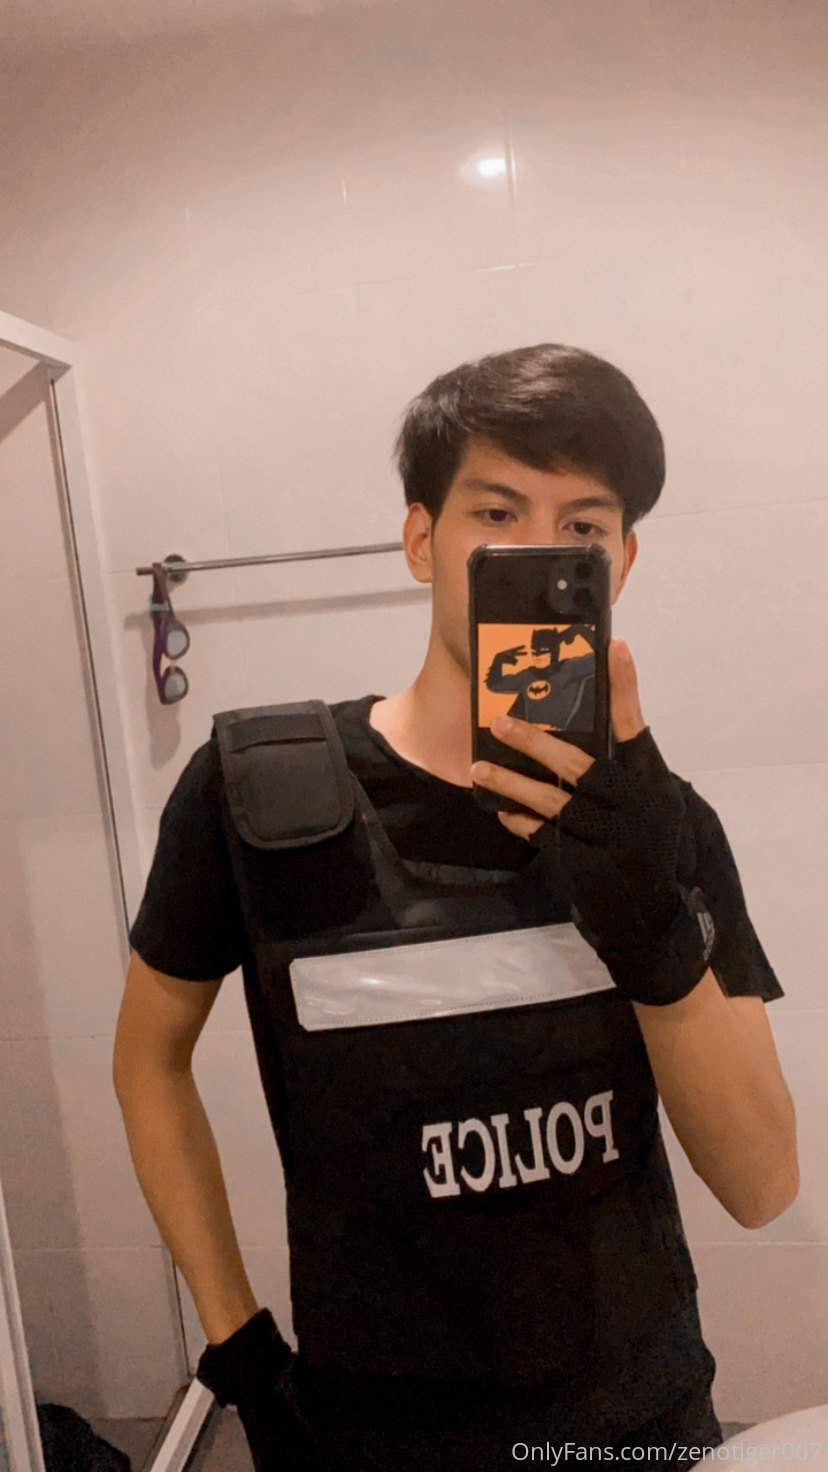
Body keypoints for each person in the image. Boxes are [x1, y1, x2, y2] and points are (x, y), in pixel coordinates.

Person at [113, 343, 798, 1472]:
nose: (536, 550)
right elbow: (148, 1060)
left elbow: (764, 1182)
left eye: (582, 525)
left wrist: (651, 925)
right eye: (497, 511)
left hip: (633, 1420)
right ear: (420, 537)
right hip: (376, 1428)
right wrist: (236, 1345)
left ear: (621, 561)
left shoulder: (663, 823)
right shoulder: (252, 794)